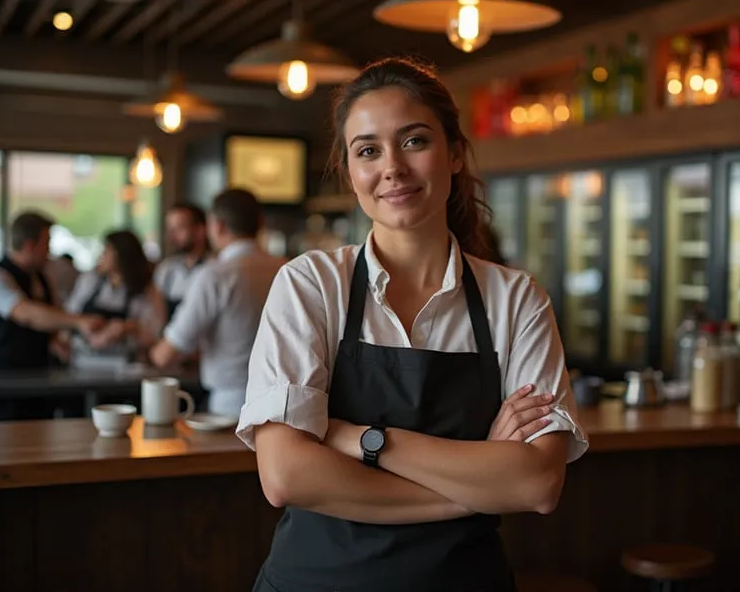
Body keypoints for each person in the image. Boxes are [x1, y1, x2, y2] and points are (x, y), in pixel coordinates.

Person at [236, 57, 588, 592]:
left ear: (455, 154)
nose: (392, 169)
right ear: (350, 172)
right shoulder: (311, 285)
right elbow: (286, 475)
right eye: (368, 150)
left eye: (415, 141)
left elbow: (537, 482)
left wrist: (363, 439)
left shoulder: (515, 299)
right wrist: (475, 487)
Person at [150, 189, 286, 418]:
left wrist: (152, 352)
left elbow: (166, 353)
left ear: (218, 225)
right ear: (261, 223)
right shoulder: (288, 269)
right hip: (283, 403)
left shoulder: (215, 275)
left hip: (231, 405)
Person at [0, 212, 105, 420]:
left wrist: (56, 342)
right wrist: (78, 322)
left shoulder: (41, 278)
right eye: (46, 244)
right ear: (29, 245)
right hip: (5, 383)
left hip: (41, 379)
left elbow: (49, 319)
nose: (49, 251)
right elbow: (26, 314)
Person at [65, 230, 166, 365]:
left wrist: (127, 328)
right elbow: (69, 316)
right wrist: (87, 326)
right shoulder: (90, 281)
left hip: (126, 364)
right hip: (83, 359)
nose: (101, 256)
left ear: (122, 255)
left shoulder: (146, 290)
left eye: (107, 251)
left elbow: (157, 335)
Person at [153, 202, 211, 320]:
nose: (171, 236)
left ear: (200, 230)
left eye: (179, 228)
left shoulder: (214, 268)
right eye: (170, 229)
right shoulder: (166, 269)